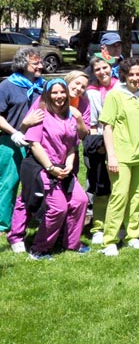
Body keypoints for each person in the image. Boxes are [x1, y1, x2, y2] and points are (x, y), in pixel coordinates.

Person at [17, 79, 88, 259]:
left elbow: (73, 144)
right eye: (54, 92)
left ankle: (72, 243)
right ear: (47, 94)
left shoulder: (69, 115)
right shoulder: (40, 114)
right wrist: (50, 167)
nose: (59, 96)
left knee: (80, 200)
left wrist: (70, 164)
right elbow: (34, 145)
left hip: (65, 167)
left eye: (62, 92)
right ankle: (39, 248)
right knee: (58, 208)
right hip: (43, 167)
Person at [100, 58, 139, 256]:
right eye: (131, 74)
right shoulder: (115, 96)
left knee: (137, 197)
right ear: (124, 75)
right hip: (121, 156)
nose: (135, 78)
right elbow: (107, 127)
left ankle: (132, 235)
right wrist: (112, 156)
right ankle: (110, 240)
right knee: (119, 197)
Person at [0, 47, 44, 252]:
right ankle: (3, 225)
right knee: (9, 183)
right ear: (22, 64)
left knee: (36, 182)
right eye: (35, 63)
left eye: (40, 62)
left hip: (37, 142)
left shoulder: (41, 87)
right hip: (11, 142)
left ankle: (31, 216)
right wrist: (14, 132)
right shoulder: (7, 86)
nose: (40, 66)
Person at [83, 57, 117, 245]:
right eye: (98, 69)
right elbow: (93, 123)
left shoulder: (120, 87)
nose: (102, 72)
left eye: (105, 67)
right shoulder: (91, 93)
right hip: (99, 142)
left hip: (120, 141)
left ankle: (115, 224)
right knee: (100, 186)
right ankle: (98, 226)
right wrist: (102, 145)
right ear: (93, 72)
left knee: (118, 188)